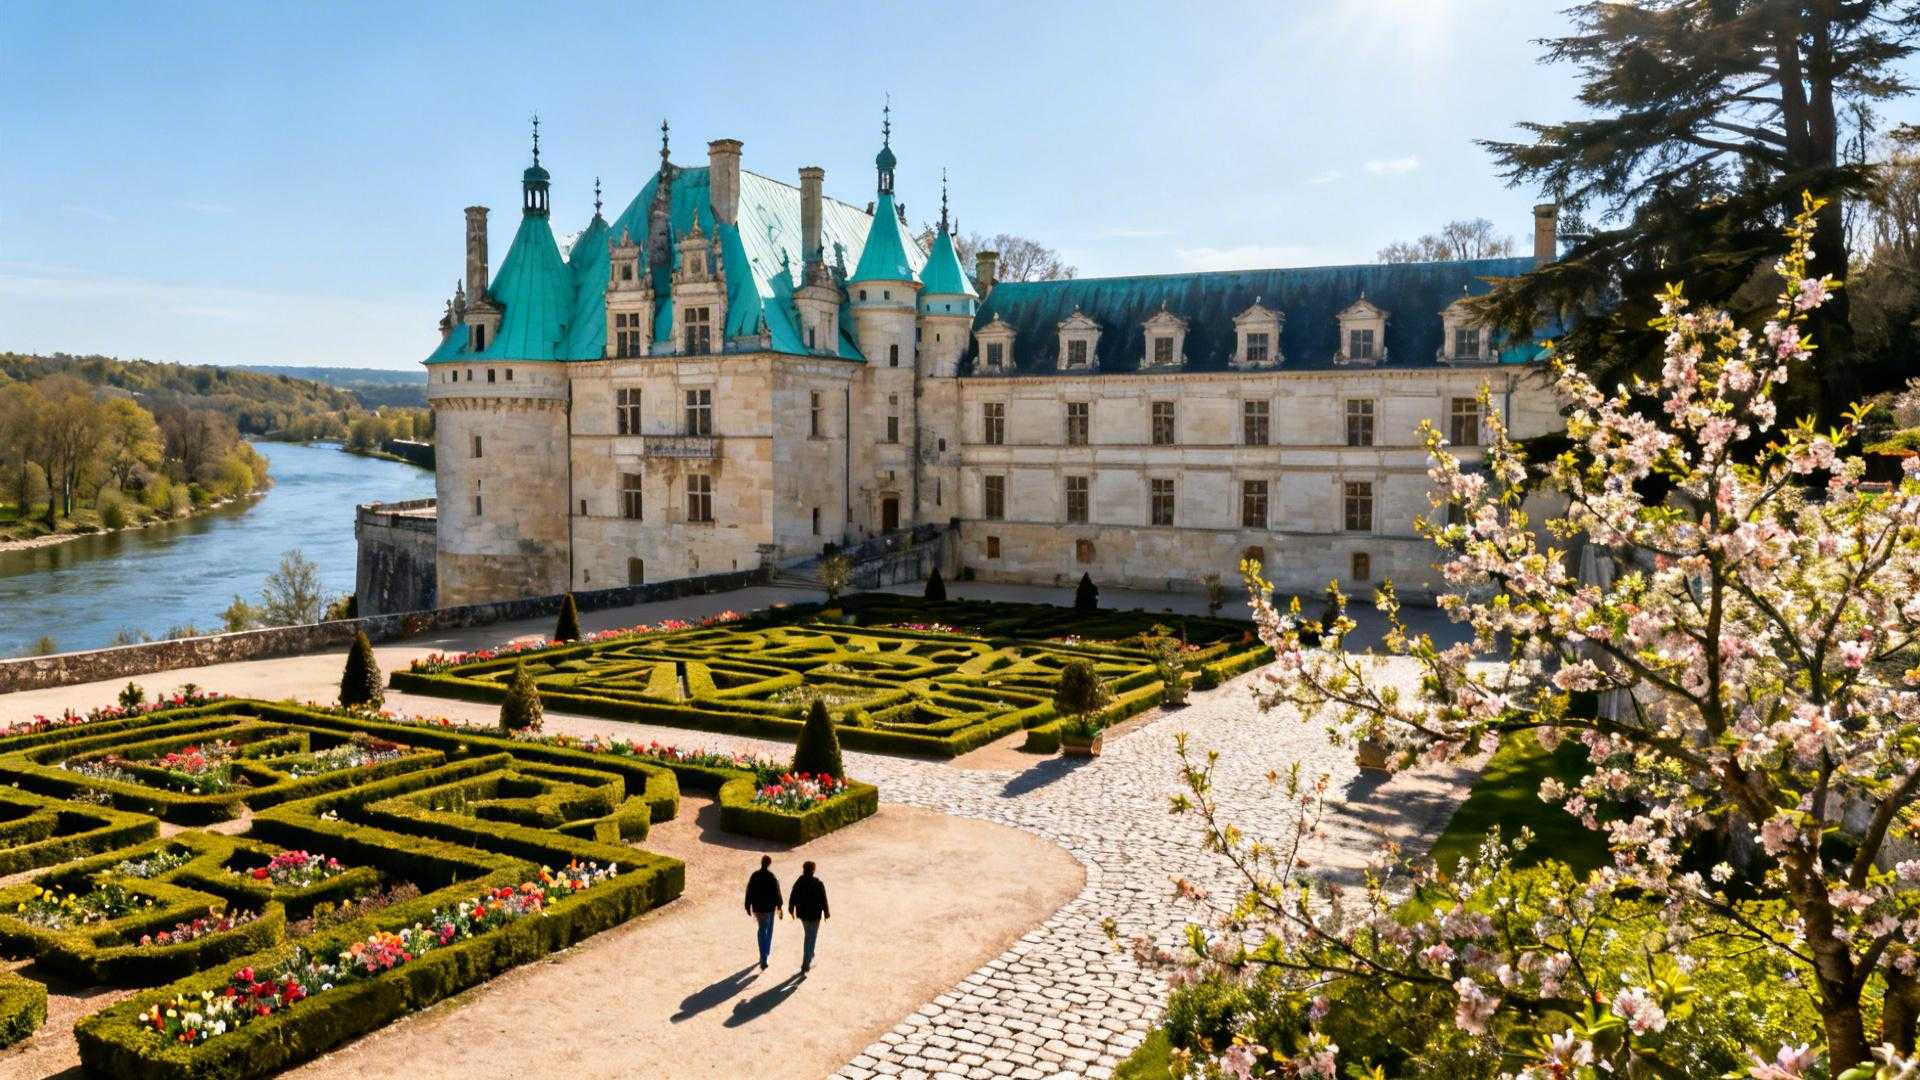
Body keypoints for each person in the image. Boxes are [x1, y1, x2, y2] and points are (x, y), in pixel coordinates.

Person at [787, 860, 831, 973]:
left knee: (809, 936)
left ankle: (809, 955)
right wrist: (826, 912)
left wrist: (791, 909)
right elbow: (823, 899)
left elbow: (793, 895)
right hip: (815, 915)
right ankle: (806, 963)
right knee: (811, 937)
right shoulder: (818, 883)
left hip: (803, 914)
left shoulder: (799, 882)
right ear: (813, 870)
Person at [744, 854, 784, 970]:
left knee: (762, 930)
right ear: (769, 864)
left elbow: (749, 891)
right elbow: (777, 892)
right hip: (769, 908)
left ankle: (763, 955)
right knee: (768, 930)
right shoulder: (772, 877)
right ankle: (765, 955)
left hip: (758, 908)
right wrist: (780, 907)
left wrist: (747, 905)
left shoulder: (755, 875)